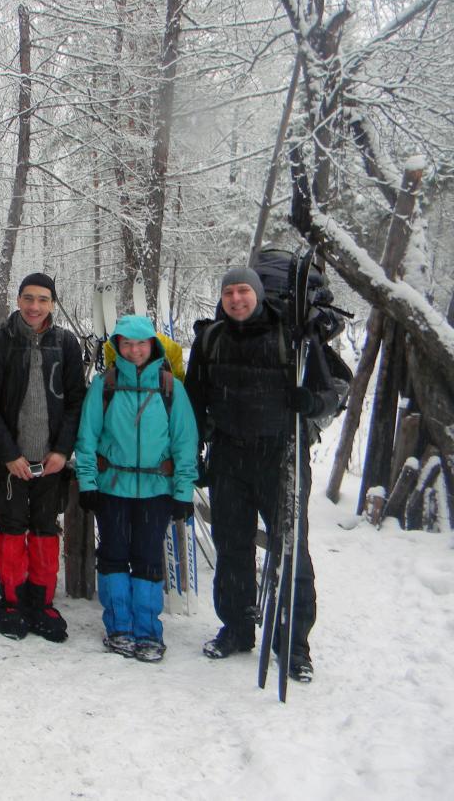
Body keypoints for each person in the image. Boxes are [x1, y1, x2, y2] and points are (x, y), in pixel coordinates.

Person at [184, 267, 341, 682]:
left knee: (290, 551)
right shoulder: (210, 339)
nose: (236, 299)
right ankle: (236, 627)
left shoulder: (292, 337)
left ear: (256, 294)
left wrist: (310, 401)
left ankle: (293, 644)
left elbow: (332, 394)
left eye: (243, 291)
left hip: (281, 458)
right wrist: (194, 452)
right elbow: (194, 401)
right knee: (231, 545)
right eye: (229, 292)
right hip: (229, 457)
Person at [75, 315, 197, 662]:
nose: (134, 350)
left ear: (153, 346)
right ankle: (119, 628)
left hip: (156, 490)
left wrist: (183, 491)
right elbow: (87, 438)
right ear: (118, 347)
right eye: (126, 343)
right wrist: (87, 482)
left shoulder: (172, 388)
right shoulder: (105, 385)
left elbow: (185, 443)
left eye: (141, 343)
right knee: (113, 556)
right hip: (113, 487)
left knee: (146, 558)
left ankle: (147, 632)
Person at [0, 272, 87, 642]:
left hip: (51, 462)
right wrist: (7, 454)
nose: (34, 306)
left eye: (42, 299)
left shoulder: (66, 344)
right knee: (12, 529)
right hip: (11, 463)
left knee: (43, 531)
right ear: (18, 300)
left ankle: (41, 600)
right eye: (28, 298)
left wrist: (62, 451)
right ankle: (11, 600)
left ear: (52, 303)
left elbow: (75, 401)